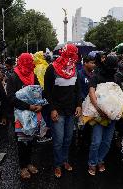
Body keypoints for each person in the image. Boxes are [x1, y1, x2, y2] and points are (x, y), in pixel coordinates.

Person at [44, 44, 82, 178]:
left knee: (68, 138)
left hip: (71, 110)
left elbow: (77, 89)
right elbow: (47, 92)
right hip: (58, 111)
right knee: (58, 139)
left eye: (74, 56)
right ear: (64, 54)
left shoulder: (74, 69)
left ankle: (65, 160)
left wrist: (78, 105)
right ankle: (57, 164)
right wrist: (52, 109)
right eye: (70, 55)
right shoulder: (51, 68)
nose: (72, 58)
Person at [6, 53, 41, 179]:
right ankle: (23, 167)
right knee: (21, 142)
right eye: (28, 62)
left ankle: (29, 162)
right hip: (18, 116)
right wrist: (28, 106)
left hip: (32, 114)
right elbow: (10, 98)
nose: (30, 64)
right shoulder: (13, 77)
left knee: (31, 140)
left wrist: (39, 104)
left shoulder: (33, 75)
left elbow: (38, 92)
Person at [87, 55, 119, 176]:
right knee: (96, 141)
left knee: (107, 141)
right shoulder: (96, 76)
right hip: (98, 114)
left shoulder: (116, 77)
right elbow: (91, 93)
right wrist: (99, 109)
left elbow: (119, 95)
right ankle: (92, 163)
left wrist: (116, 110)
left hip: (112, 115)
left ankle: (100, 159)